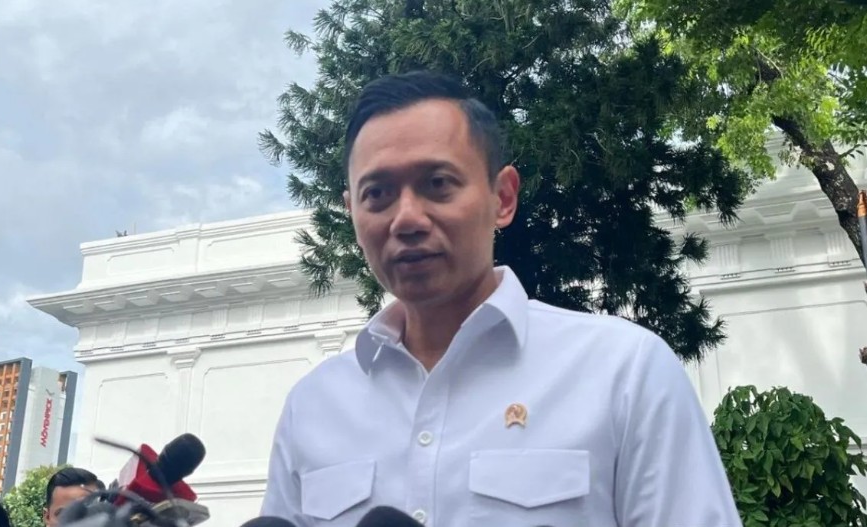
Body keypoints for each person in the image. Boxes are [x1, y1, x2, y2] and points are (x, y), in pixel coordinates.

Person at [260, 70, 742, 526]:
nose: (406, 218)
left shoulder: (624, 372)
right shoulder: (313, 407)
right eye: (378, 194)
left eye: (437, 184)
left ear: (503, 197)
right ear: (352, 212)